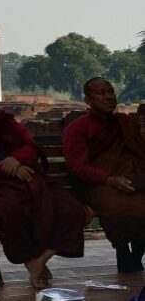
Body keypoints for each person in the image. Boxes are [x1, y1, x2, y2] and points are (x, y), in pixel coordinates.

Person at [0, 87, 85, 289]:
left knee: (72, 210)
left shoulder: (7, 123)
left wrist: (16, 159)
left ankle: (38, 261)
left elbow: (30, 146)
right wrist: (6, 168)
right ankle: (31, 260)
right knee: (11, 210)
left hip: (32, 179)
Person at [63, 77, 145, 272]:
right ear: (88, 100)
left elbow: (139, 153)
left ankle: (137, 254)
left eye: (111, 92)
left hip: (133, 179)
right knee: (117, 207)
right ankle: (123, 250)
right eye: (101, 93)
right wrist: (109, 179)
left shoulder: (125, 123)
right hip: (99, 184)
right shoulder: (78, 128)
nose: (109, 97)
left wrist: (142, 132)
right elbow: (76, 166)